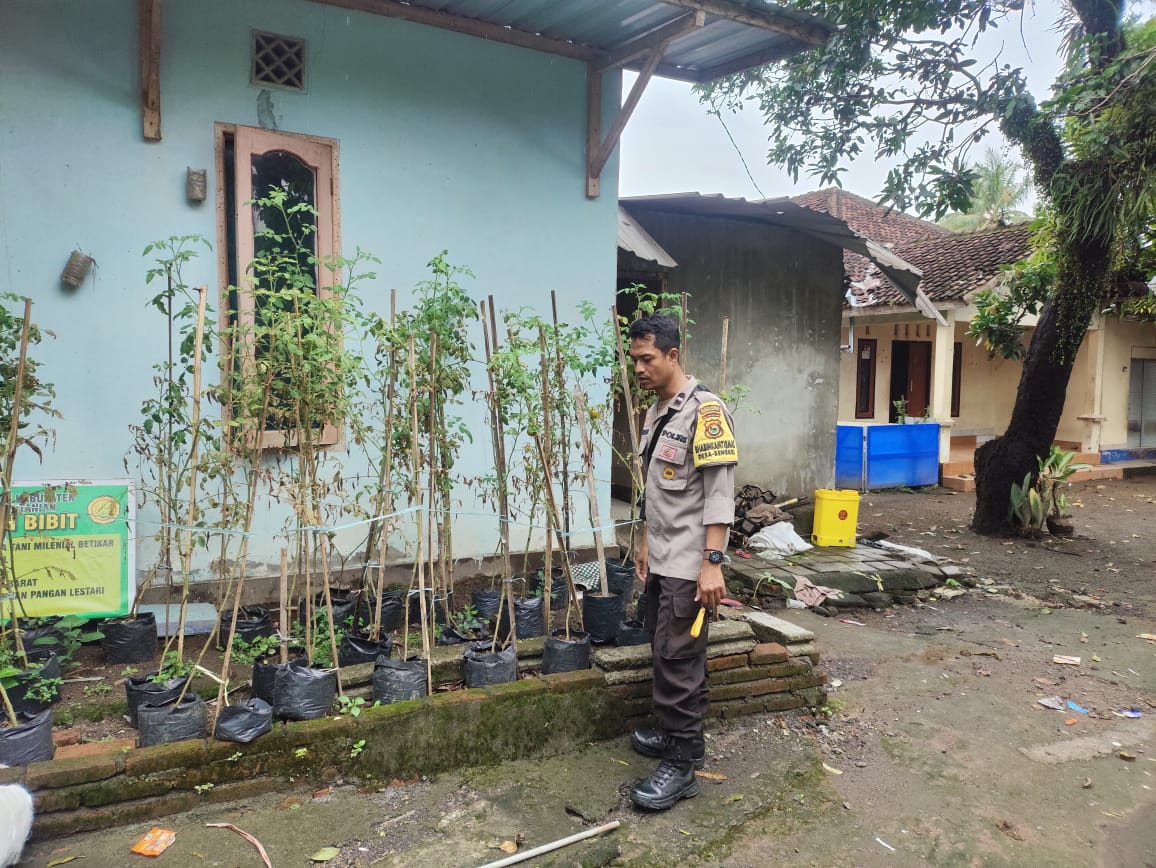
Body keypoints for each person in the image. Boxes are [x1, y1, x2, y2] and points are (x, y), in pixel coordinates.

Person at [627, 313, 737, 811]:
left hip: (691, 563)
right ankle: (673, 736)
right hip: (663, 554)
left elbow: (717, 494)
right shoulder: (658, 410)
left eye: (647, 359)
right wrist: (646, 541)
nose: (639, 369)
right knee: (664, 648)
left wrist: (712, 563)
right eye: (634, 360)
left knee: (679, 657)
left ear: (674, 355)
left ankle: (685, 761)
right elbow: (657, 486)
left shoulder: (706, 411)